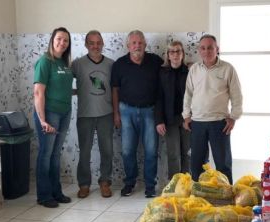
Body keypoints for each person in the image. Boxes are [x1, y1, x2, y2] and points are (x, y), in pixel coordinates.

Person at [182, 34, 243, 184]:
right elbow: (188, 94)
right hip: (197, 122)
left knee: (223, 164)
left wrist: (234, 117)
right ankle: (199, 197)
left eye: (210, 47)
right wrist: (186, 116)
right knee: (197, 164)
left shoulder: (228, 69)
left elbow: (237, 95)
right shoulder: (194, 70)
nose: (206, 51)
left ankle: (227, 197)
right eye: (203, 48)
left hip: (220, 123)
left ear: (217, 49)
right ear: (199, 50)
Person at [112, 30, 163, 198]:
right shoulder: (119, 64)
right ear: (128, 46)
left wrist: (190, 65)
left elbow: (171, 68)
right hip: (126, 111)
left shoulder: (155, 61)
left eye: (140, 43)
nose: (137, 46)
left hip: (150, 111)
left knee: (151, 151)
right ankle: (129, 183)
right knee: (127, 150)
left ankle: (150, 186)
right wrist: (116, 114)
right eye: (134, 43)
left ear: (145, 45)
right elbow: (115, 90)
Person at [33, 27, 73, 208]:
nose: (62, 43)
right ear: (52, 40)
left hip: (65, 112)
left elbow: (64, 88)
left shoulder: (64, 63)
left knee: (56, 154)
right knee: (46, 154)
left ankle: (56, 192)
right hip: (49, 112)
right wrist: (42, 120)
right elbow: (38, 92)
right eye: (59, 39)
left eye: (65, 40)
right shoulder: (45, 61)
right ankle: (44, 195)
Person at [72, 30, 114, 198]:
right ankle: (84, 184)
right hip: (85, 115)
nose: (96, 46)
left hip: (106, 114)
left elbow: (117, 88)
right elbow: (62, 81)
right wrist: (74, 91)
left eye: (98, 43)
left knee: (107, 150)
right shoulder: (77, 64)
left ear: (102, 44)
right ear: (86, 45)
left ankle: (105, 182)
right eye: (92, 43)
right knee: (84, 152)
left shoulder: (111, 64)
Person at [155, 41, 190, 180]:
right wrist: (159, 120)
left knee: (187, 152)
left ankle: (187, 183)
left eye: (178, 51)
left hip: (187, 119)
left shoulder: (189, 72)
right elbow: (158, 98)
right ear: (168, 55)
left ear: (182, 54)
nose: (175, 54)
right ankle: (175, 184)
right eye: (172, 52)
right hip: (169, 119)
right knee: (173, 153)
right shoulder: (162, 73)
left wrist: (191, 117)